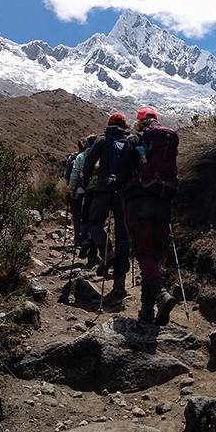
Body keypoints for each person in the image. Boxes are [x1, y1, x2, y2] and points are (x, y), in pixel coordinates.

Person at [116, 107, 179, 325]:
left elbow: (122, 170)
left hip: (139, 201)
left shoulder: (135, 139)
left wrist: (115, 185)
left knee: (143, 253)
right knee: (152, 255)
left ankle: (161, 295)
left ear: (139, 122)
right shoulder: (167, 144)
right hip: (164, 202)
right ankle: (147, 310)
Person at [81, 113, 131, 297]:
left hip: (102, 189)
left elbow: (89, 162)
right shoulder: (129, 140)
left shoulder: (102, 139)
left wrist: (86, 182)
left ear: (109, 124)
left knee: (94, 223)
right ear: (125, 125)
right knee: (123, 235)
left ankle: (105, 250)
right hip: (123, 192)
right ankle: (120, 283)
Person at [68, 134, 97, 258]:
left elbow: (74, 175)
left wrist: (70, 189)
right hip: (98, 192)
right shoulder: (100, 156)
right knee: (95, 221)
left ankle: (83, 239)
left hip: (82, 191)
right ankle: (93, 252)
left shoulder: (81, 157)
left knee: (82, 218)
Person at [66, 136, 88, 250]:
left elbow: (69, 174)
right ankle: (86, 238)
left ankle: (77, 238)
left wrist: (69, 187)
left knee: (76, 215)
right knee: (87, 215)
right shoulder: (92, 156)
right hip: (89, 191)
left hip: (76, 191)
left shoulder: (74, 157)